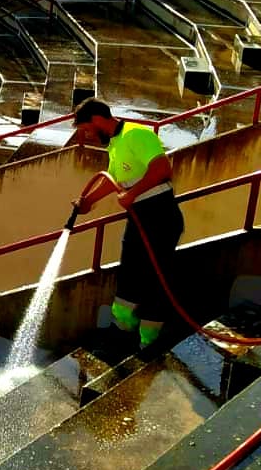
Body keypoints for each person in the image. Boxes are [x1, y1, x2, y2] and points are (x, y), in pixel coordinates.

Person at [70, 98, 183, 350]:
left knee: (155, 276)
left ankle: (149, 340)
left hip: (160, 215)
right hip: (140, 216)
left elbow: (162, 167)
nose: (87, 136)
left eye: (87, 129)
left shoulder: (136, 134)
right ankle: (122, 330)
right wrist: (88, 201)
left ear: (98, 120)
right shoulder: (116, 144)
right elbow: (113, 180)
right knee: (130, 272)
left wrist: (133, 194)